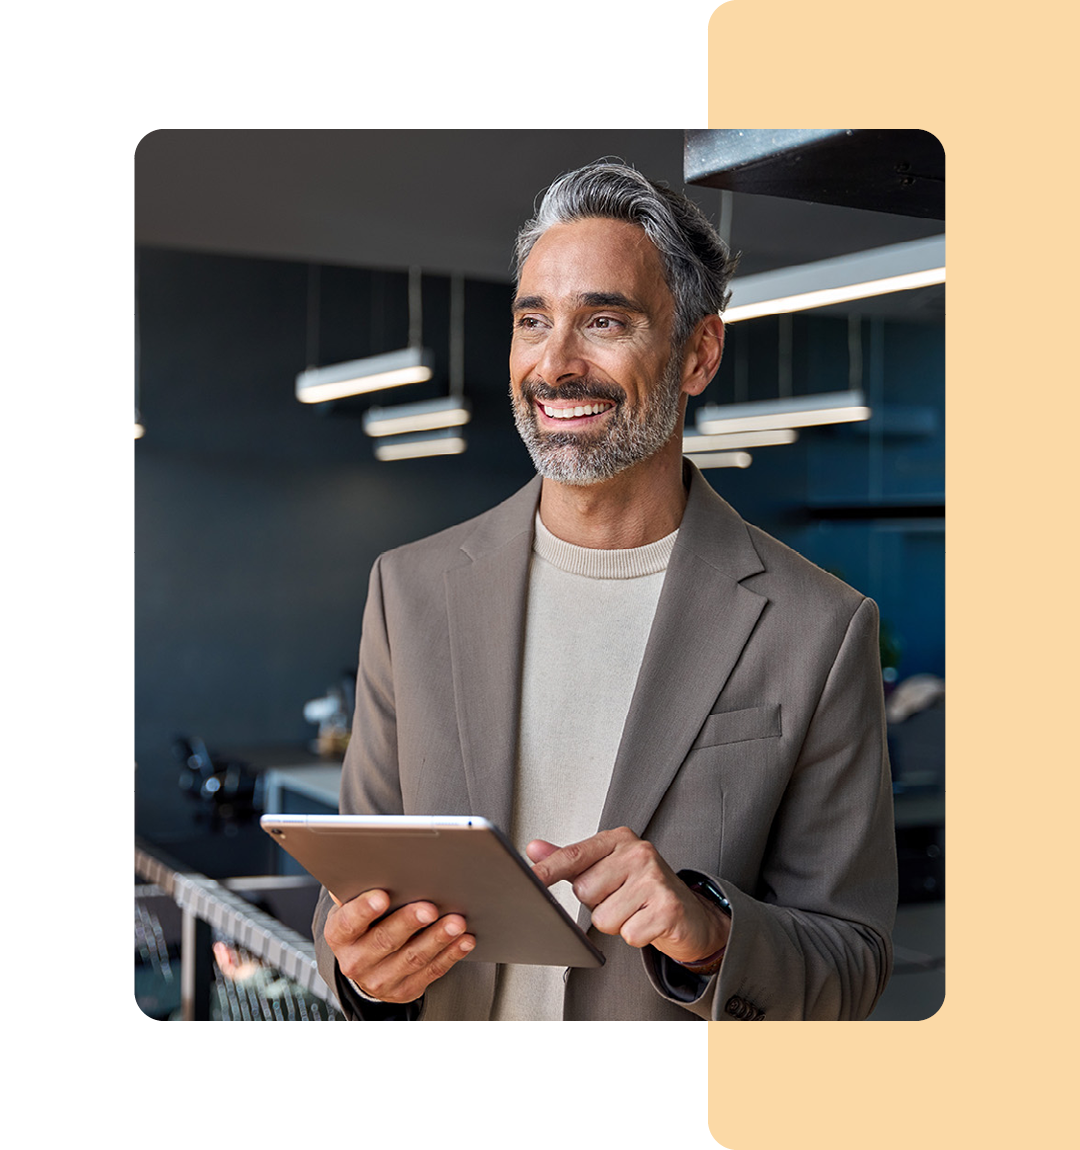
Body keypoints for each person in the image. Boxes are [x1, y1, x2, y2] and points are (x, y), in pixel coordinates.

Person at [313, 160, 897, 1021]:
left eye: (605, 321)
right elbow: (349, 902)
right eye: (532, 321)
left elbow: (853, 961)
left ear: (698, 352)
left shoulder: (819, 628)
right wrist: (366, 973)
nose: (556, 365)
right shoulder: (412, 591)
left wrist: (708, 930)